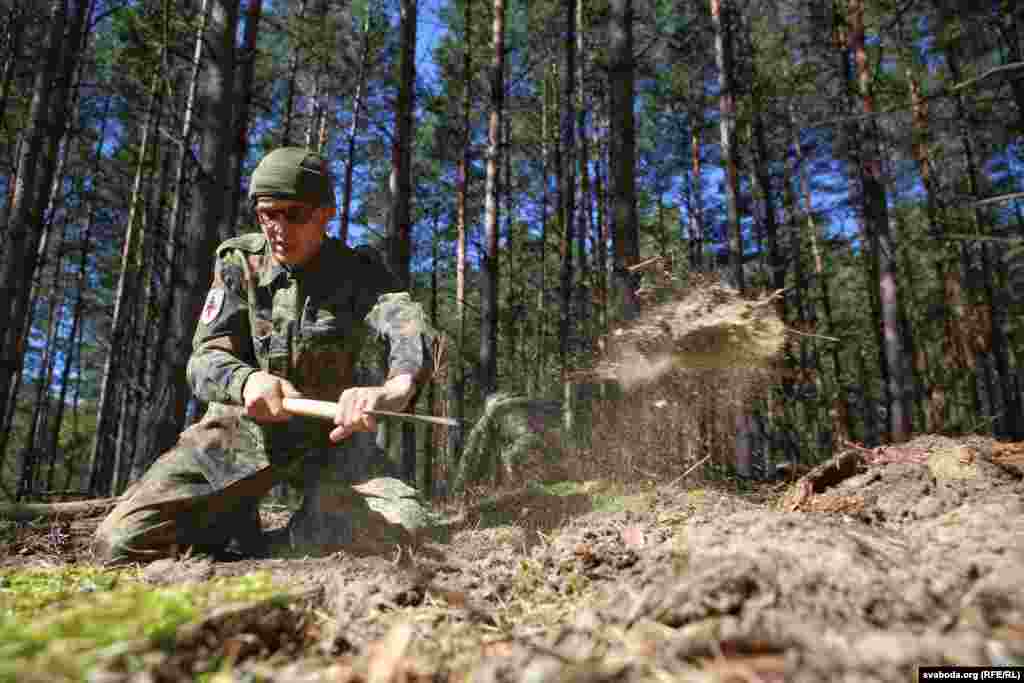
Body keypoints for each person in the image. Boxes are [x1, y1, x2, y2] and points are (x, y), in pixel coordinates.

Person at [93, 147, 433, 564]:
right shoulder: (240, 264)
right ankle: (230, 516)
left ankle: (300, 533)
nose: (278, 228)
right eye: (268, 214)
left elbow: (407, 323)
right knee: (121, 541)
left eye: (295, 215)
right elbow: (204, 358)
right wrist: (247, 380)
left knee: (405, 528)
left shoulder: (358, 271)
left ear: (325, 214)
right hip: (242, 434)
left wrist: (396, 387)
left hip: (331, 438)